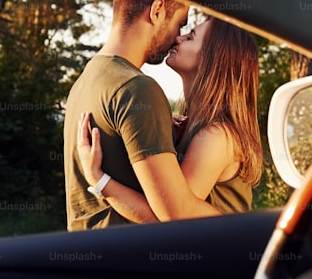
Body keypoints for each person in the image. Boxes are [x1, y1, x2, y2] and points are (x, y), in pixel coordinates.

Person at [63, 0, 221, 230]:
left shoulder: (85, 81)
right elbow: (173, 217)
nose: (178, 37)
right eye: (180, 24)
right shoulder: (136, 88)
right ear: (157, 11)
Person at [76, 14, 263, 219]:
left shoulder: (217, 136)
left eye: (190, 37)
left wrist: (99, 180)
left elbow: (172, 216)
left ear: (214, 57)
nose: (178, 39)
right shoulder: (195, 127)